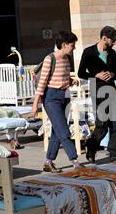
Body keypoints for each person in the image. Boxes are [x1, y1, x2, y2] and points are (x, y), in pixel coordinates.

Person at [31, 31, 82, 172]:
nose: (74, 48)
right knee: (64, 132)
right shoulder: (50, 59)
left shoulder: (66, 59)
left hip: (64, 96)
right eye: (72, 45)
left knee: (57, 131)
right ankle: (75, 161)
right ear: (64, 45)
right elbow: (42, 83)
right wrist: (35, 104)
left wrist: (72, 81)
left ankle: (49, 162)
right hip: (51, 98)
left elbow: (62, 78)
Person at [78, 26, 116, 163]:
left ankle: (114, 154)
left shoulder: (112, 53)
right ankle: (91, 149)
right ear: (104, 38)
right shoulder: (89, 52)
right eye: (113, 40)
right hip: (98, 92)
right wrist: (96, 74)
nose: (114, 43)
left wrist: (112, 73)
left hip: (112, 91)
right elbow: (81, 73)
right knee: (102, 125)